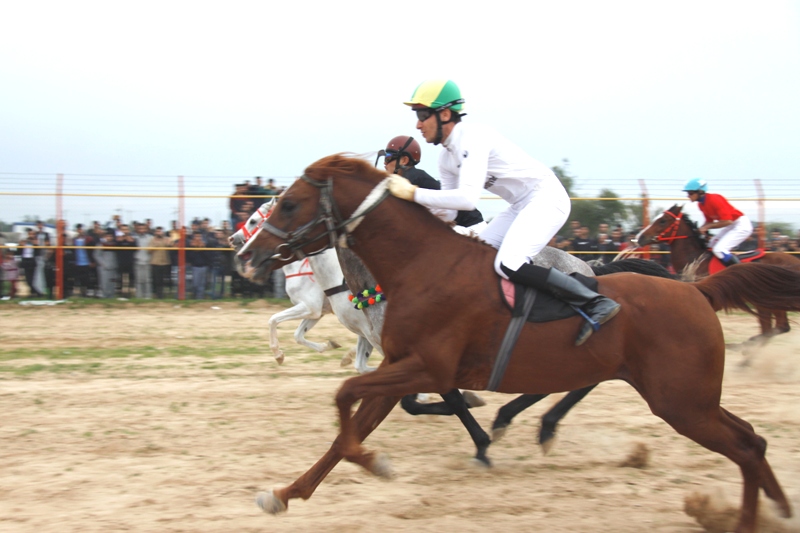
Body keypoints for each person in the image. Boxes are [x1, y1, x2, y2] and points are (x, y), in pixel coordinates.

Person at [389, 79, 619, 345]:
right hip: (520, 205)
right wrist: (404, 211)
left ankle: (595, 302)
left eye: (422, 115)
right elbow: (448, 213)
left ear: (444, 114)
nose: (418, 125)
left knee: (507, 263)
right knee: (474, 260)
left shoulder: (473, 137)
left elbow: (466, 198)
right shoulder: (446, 158)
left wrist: (411, 193)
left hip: (546, 198)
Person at [380, 135, 486, 234]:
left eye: (388, 157)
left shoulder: (411, 179)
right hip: (460, 226)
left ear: (404, 160)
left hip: (471, 228)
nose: (385, 163)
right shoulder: (414, 177)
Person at [682, 178, 753, 267]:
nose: (688, 196)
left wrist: (706, 227)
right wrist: (698, 230)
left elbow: (727, 221)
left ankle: (740, 270)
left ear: (700, 192)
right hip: (732, 225)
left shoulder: (714, 199)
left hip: (741, 225)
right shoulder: (701, 204)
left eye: (690, 193)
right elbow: (709, 222)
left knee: (719, 249)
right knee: (711, 245)